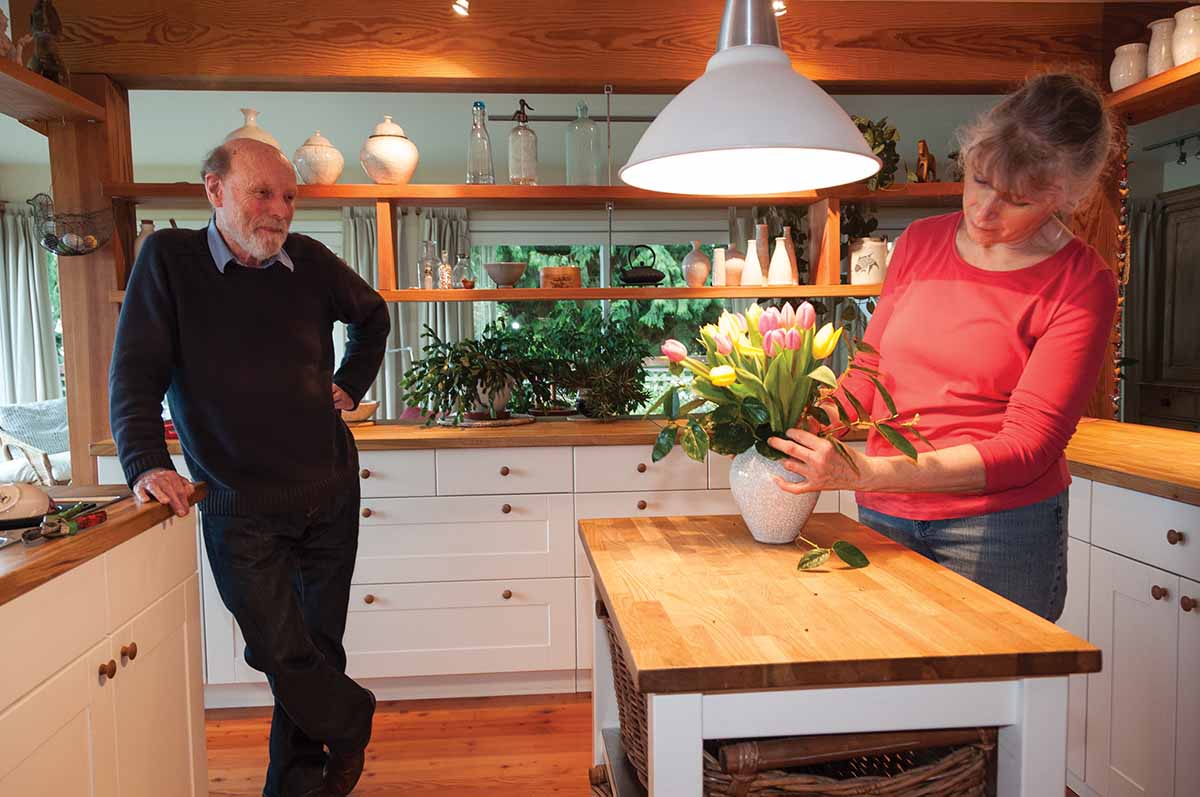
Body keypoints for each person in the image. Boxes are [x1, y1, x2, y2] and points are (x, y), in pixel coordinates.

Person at [769, 73, 1118, 622]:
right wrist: (793, 423)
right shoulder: (920, 242)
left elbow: (1028, 447)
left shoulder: (1080, 281)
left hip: (1000, 528)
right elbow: (868, 375)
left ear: (1066, 197)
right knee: (891, 689)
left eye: (1017, 201)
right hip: (884, 514)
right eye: (978, 181)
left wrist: (870, 472)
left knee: (987, 700)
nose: (983, 212)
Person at [109, 137, 390, 797]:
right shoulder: (169, 261)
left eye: (289, 196)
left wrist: (349, 381)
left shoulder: (311, 263)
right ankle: (351, 719)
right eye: (263, 193)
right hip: (241, 503)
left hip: (329, 491)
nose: (279, 210)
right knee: (278, 651)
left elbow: (372, 316)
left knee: (317, 650)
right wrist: (147, 460)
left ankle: (297, 786)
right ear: (214, 190)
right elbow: (135, 373)